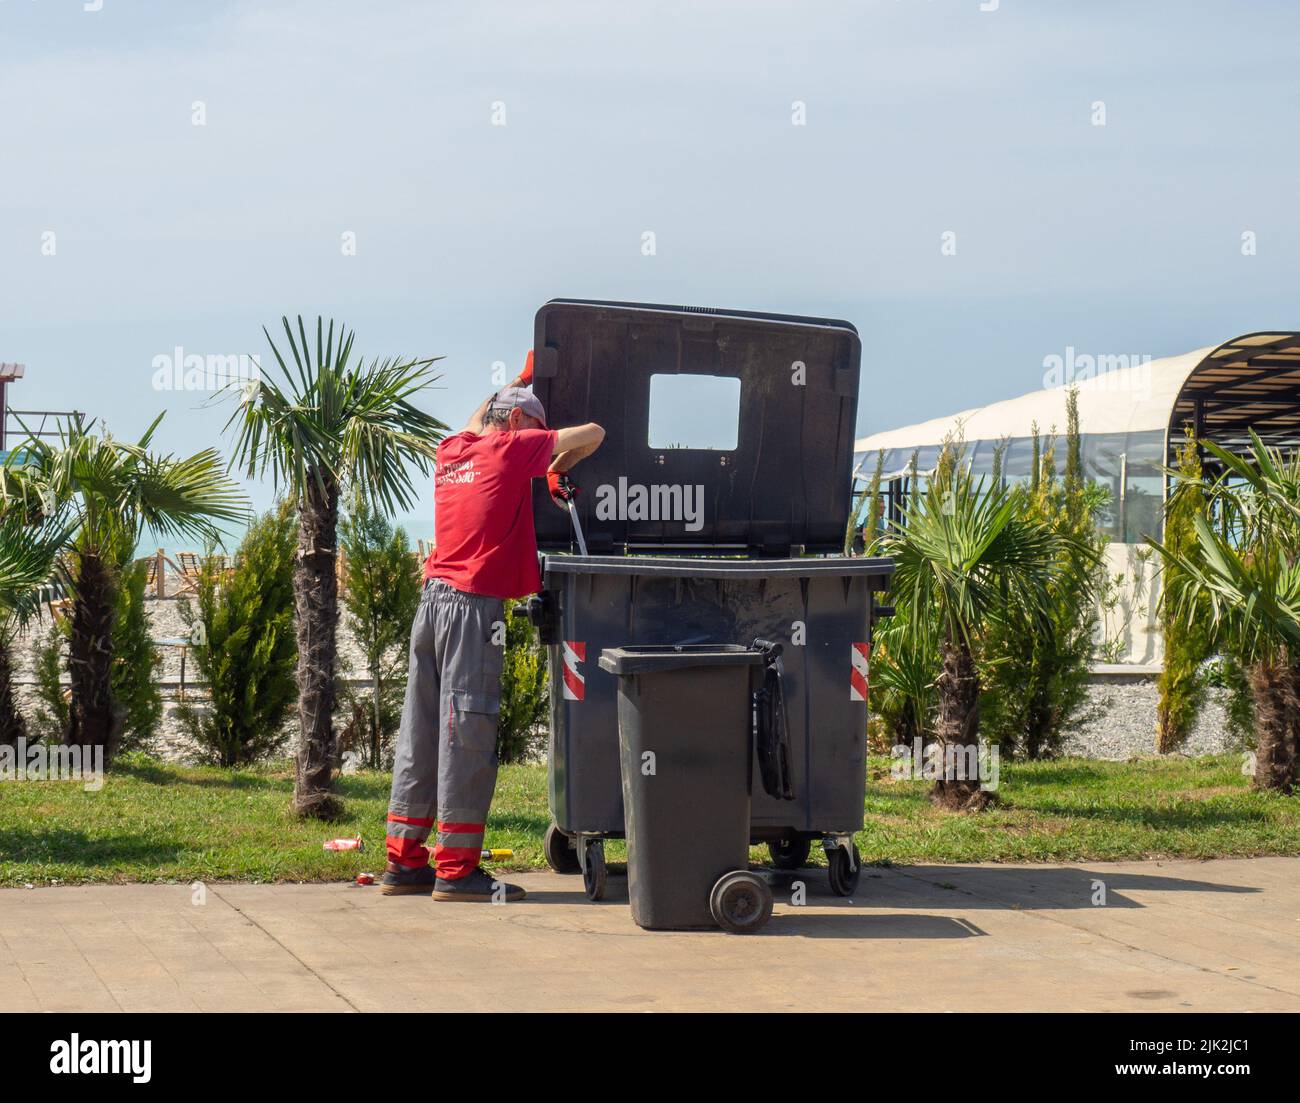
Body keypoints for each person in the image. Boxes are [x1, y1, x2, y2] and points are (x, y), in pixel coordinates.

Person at [382, 352, 604, 900]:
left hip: (431, 602)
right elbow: (594, 432)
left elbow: (479, 415)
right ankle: (456, 872)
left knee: (422, 729)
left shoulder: (453, 450)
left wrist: (519, 382)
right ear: (518, 424)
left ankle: (403, 863)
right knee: (467, 732)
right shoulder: (512, 448)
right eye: (535, 420)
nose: (540, 430)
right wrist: (556, 463)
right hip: (472, 609)